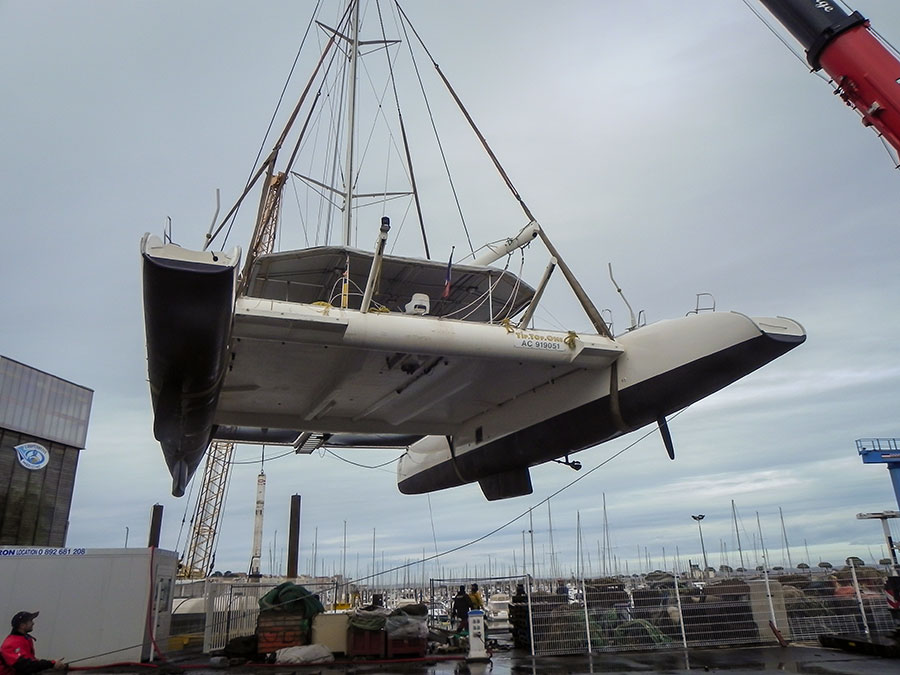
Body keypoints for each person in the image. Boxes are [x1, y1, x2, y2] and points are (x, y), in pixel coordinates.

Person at [1, 612, 65, 675]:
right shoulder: (11, 643)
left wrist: (51, 663)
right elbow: (24, 665)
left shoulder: (23, 639)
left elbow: (30, 661)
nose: (33, 623)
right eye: (30, 621)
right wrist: (51, 664)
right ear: (22, 625)